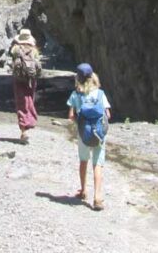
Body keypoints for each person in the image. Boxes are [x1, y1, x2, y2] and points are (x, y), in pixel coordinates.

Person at [67, 62, 111, 210]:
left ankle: (83, 191)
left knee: (83, 161)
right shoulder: (100, 93)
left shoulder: (76, 95)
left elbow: (71, 116)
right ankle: (98, 197)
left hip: (83, 133)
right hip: (99, 134)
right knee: (98, 164)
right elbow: (108, 114)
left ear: (78, 79)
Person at [9, 28, 41, 143]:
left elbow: (13, 63)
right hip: (31, 79)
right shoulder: (34, 50)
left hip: (19, 79)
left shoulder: (15, 49)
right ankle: (30, 121)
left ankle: (23, 131)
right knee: (29, 100)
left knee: (21, 102)